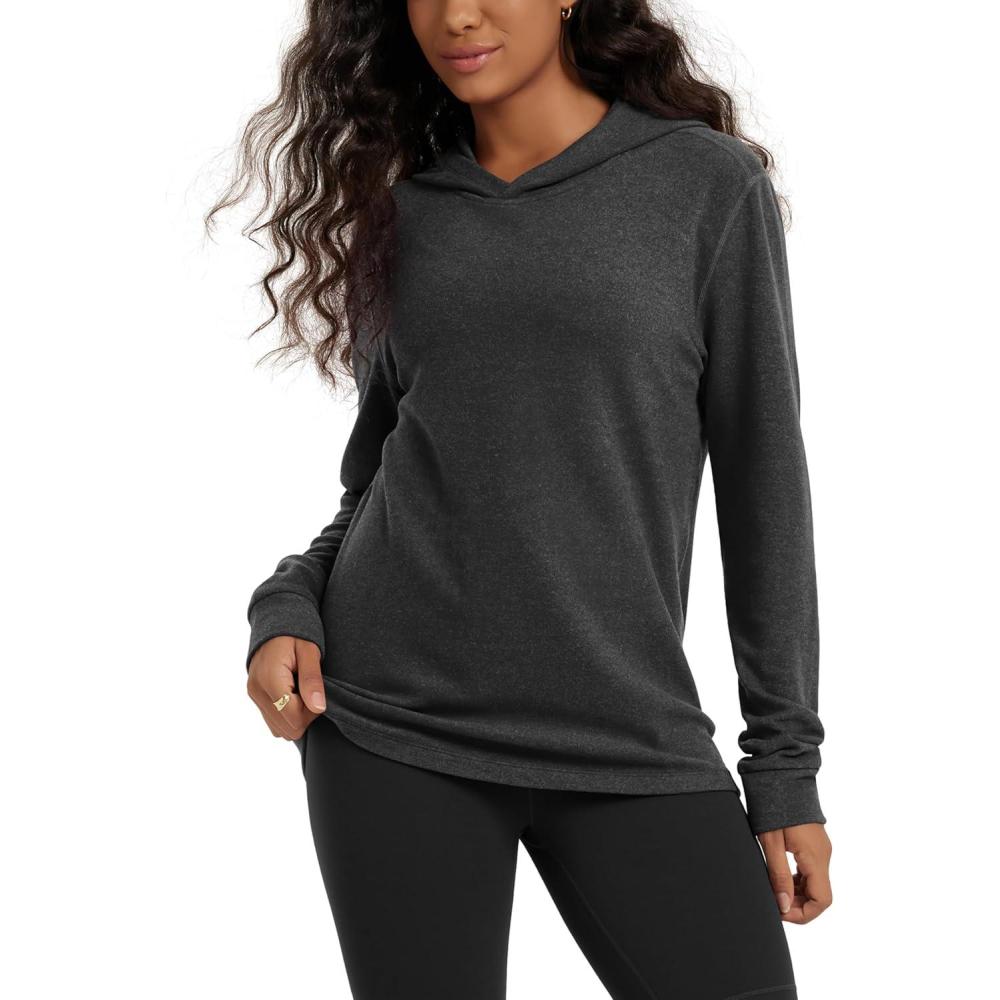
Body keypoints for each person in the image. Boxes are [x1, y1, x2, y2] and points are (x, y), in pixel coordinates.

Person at [209, 2, 834, 997]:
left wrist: (784, 764)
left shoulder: (704, 186)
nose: (458, 15)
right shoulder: (402, 210)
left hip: (630, 736)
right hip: (392, 727)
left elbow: (766, 487)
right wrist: (287, 601)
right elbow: (381, 479)